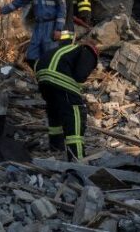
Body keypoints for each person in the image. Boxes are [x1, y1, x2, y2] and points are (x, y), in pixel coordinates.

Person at [34, 31, 99, 160]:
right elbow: (80, 75)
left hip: (42, 75)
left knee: (55, 110)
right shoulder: (89, 51)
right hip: (58, 74)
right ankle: (77, 157)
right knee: (75, 113)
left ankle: (56, 148)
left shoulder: (69, 48)